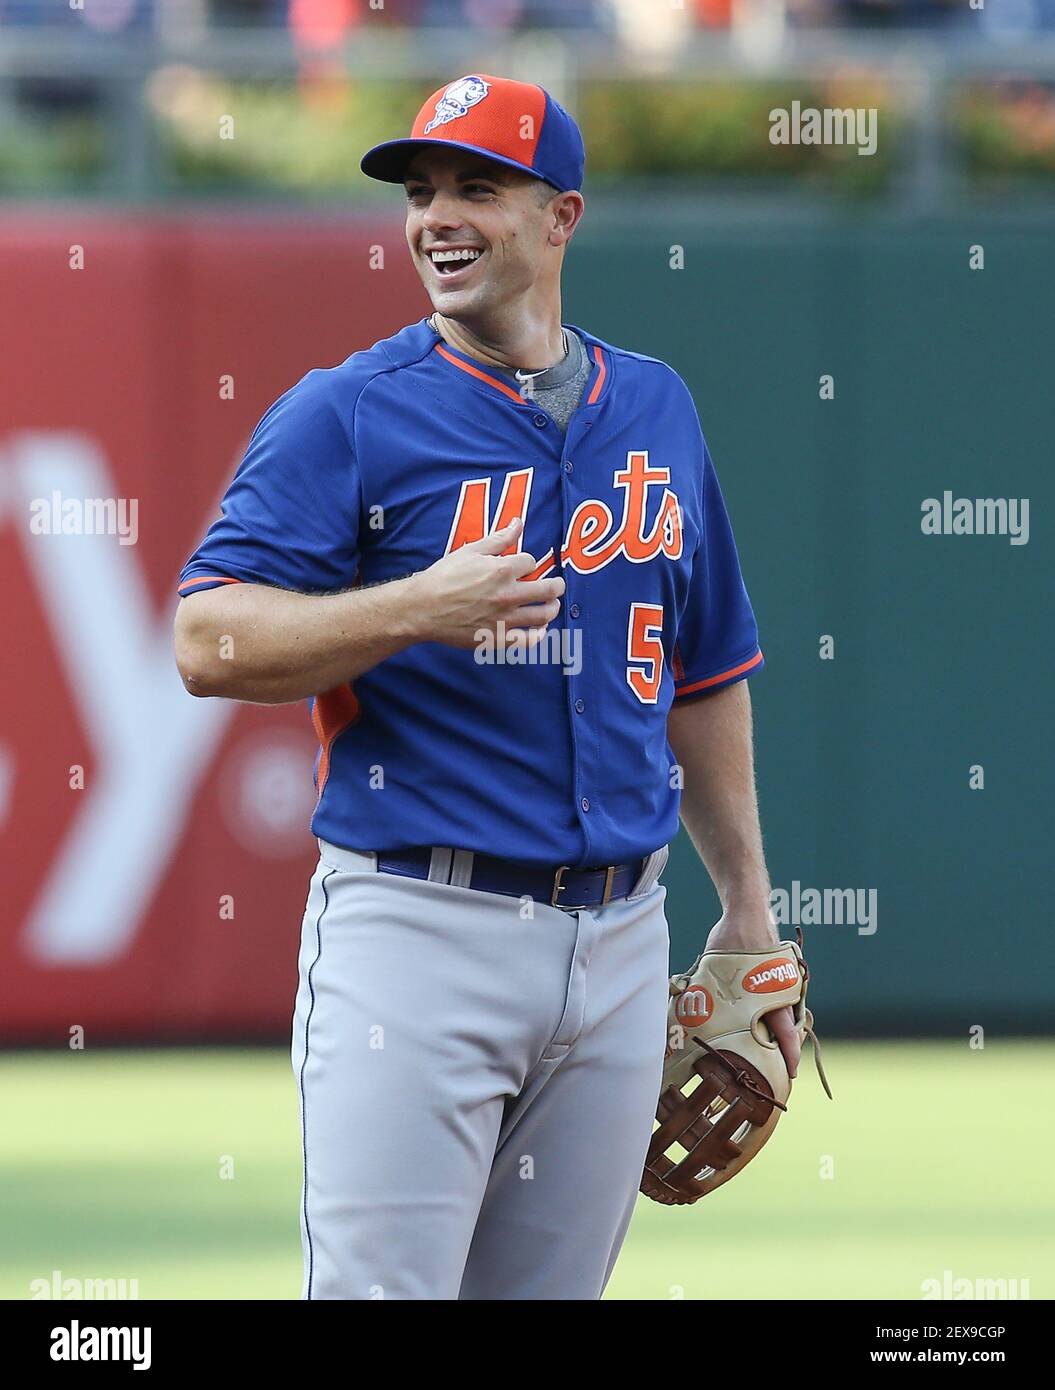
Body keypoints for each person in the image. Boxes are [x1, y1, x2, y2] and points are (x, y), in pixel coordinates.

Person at [173, 73, 798, 1301]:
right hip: (417, 932)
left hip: (623, 938)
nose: (435, 218)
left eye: (475, 188)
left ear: (559, 217)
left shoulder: (656, 407)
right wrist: (418, 605)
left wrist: (747, 910)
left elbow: (705, 669)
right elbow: (207, 640)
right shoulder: (348, 414)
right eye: (419, 193)